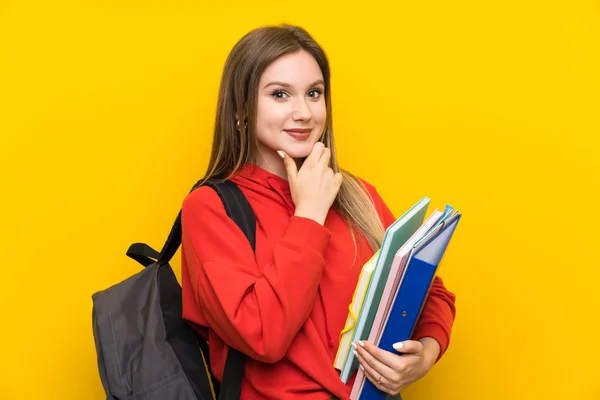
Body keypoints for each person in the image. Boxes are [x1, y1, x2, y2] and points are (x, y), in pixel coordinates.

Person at [180, 24, 456, 400]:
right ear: (241, 110)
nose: (304, 112)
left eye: (314, 93)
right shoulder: (210, 207)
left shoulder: (357, 195)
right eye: (280, 94)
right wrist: (309, 216)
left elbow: (427, 288)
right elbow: (263, 336)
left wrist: (424, 353)